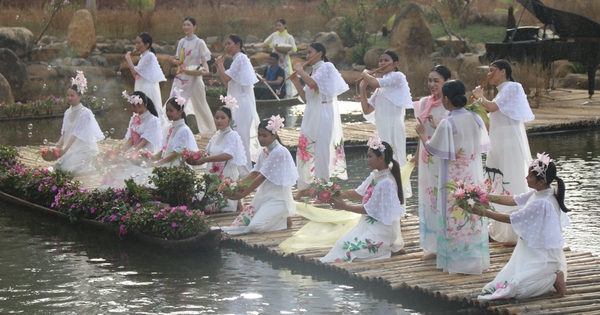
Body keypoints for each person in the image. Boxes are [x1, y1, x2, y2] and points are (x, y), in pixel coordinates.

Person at [415, 80, 491, 274]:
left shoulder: (448, 122)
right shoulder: (475, 117)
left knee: (453, 213)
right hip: (472, 174)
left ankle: (456, 262)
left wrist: (423, 133)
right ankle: (474, 259)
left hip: (453, 177)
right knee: (471, 212)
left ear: (447, 99)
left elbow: (432, 149)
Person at [476, 153, 570, 300]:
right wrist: (483, 195)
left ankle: (554, 276)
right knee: (495, 287)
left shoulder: (542, 201)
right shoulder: (540, 192)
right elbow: (513, 200)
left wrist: (483, 212)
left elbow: (512, 218)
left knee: (516, 291)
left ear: (541, 182)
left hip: (544, 257)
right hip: (530, 250)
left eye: (530, 177)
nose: (527, 178)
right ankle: (545, 277)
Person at [472, 59, 535, 245]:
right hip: (498, 141)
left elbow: (492, 107)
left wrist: (479, 96)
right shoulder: (501, 93)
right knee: (495, 180)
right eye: (488, 71)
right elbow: (490, 119)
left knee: (511, 178)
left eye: (492, 70)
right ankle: (498, 229)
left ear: (503, 71)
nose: (489, 74)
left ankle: (514, 233)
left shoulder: (513, 87)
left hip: (510, 141)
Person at [321, 138, 406, 263]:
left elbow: (370, 210)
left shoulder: (386, 182)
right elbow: (358, 192)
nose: (367, 160)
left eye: (370, 156)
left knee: (353, 252)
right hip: (368, 227)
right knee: (341, 245)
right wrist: (335, 192)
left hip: (381, 231)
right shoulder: (376, 176)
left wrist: (344, 206)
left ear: (381, 158)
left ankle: (388, 248)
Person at [218, 115, 298, 235]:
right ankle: (282, 218)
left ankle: (282, 218)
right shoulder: (265, 150)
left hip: (279, 198)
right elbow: (255, 172)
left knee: (255, 227)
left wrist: (242, 194)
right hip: (265, 195)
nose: (261, 138)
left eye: (264, 135)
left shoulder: (279, 152)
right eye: (259, 135)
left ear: (274, 135)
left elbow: (261, 178)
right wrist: (237, 186)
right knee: (241, 224)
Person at [290, 42, 349, 199]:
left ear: (320, 53)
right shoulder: (314, 71)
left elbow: (313, 84)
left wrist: (301, 71)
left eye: (310, 52)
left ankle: (323, 191)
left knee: (321, 151)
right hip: (312, 111)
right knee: (306, 148)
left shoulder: (326, 68)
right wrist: (296, 82)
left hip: (324, 112)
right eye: (306, 52)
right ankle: (305, 186)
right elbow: (306, 98)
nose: (307, 55)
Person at [359, 50, 413, 197]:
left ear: (395, 63)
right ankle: (383, 196)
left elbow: (375, 81)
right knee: (382, 161)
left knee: (395, 160)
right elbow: (367, 108)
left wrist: (365, 73)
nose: (381, 63)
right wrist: (362, 89)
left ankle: (399, 200)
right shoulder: (380, 89)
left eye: (385, 60)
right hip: (383, 128)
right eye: (380, 60)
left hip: (394, 127)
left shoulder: (397, 77)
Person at [411, 65, 451, 260]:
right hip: (427, 156)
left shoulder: (450, 104)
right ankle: (432, 247)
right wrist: (417, 155)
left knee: (442, 197)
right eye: (430, 81)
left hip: (442, 157)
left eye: (437, 81)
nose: (432, 84)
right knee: (428, 199)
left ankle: (446, 244)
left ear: (446, 82)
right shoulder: (424, 102)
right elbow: (421, 132)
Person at [215, 34, 260, 174]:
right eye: (225, 44)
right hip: (236, 102)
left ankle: (245, 171)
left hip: (242, 102)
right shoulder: (237, 60)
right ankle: (239, 169)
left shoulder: (240, 58)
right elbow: (227, 83)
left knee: (241, 136)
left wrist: (221, 65)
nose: (226, 47)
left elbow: (227, 77)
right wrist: (219, 68)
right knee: (236, 134)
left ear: (238, 44)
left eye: (229, 44)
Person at [102, 91, 163, 188]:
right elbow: (131, 140)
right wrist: (120, 152)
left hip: (145, 154)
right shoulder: (134, 118)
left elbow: (144, 142)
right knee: (116, 171)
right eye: (131, 106)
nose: (132, 109)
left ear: (142, 104)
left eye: (134, 106)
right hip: (134, 153)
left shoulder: (152, 120)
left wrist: (133, 154)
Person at [168, 17, 216, 136]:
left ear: (194, 27)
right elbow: (179, 60)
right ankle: (172, 128)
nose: (185, 27)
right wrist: (171, 60)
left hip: (194, 77)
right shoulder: (182, 42)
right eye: (184, 25)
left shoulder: (199, 42)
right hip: (182, 76)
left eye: (188, 25)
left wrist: (204, 71)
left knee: (200, 104)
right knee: (174, 102)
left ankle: (210, 130)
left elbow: (205, 63)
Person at [194, 106, 247, 211]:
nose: (219, 120)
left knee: (209, 207)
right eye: (216, 117)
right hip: (213, 177)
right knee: (197, 202)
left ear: (230, 120)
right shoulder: (216, 136)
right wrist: (193, 157)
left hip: (225, 178)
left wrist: (206, 160)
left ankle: (236, 204)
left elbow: (228, 155)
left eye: (223, 118)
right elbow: (205, 153)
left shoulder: (232, 135)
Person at [53, 71, 104, 175]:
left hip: (84, 150)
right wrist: (57, 148)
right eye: (67, 95)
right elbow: (64, 134)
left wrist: (64, 150)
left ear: (80, 96)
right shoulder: (67, 112)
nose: (69, 98)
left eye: (72, 95)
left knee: (66, 170)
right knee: (56, 166)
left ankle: (92, 164)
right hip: (71, 148)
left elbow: (75, 134)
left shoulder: (85, 113)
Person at [125, 32, 168, 128]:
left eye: (139, 43)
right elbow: (135, 75)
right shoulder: (143, 57)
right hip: (141, 85)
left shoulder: (149, 56)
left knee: (148, 111)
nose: (136, 45)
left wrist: (128, 59)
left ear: (147, 44)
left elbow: (136, 72)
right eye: (136, 43)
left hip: (147, 88)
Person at [254, 18, 297, 98]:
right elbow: (265, 44)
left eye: (280, 25)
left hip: (283, 61)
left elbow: (294, 49)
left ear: (284, 25)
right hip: (274, 59)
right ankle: (272, 93)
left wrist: (286, 52)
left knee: (285, 78)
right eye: (277, 25)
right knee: (273, 74)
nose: (278, 27)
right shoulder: (274, 35)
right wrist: (255, 46)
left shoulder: (289, 37)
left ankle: (287, 96)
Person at [150, 95, 198, 166]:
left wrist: (158, 163)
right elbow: (164, 150)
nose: (168, 113)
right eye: (167, 110)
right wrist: (151, 158)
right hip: (166, 164)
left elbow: (176, 153)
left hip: (177, 168)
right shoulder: (168, 128)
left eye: (171, 111)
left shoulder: (184, 130)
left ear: (180, 111)